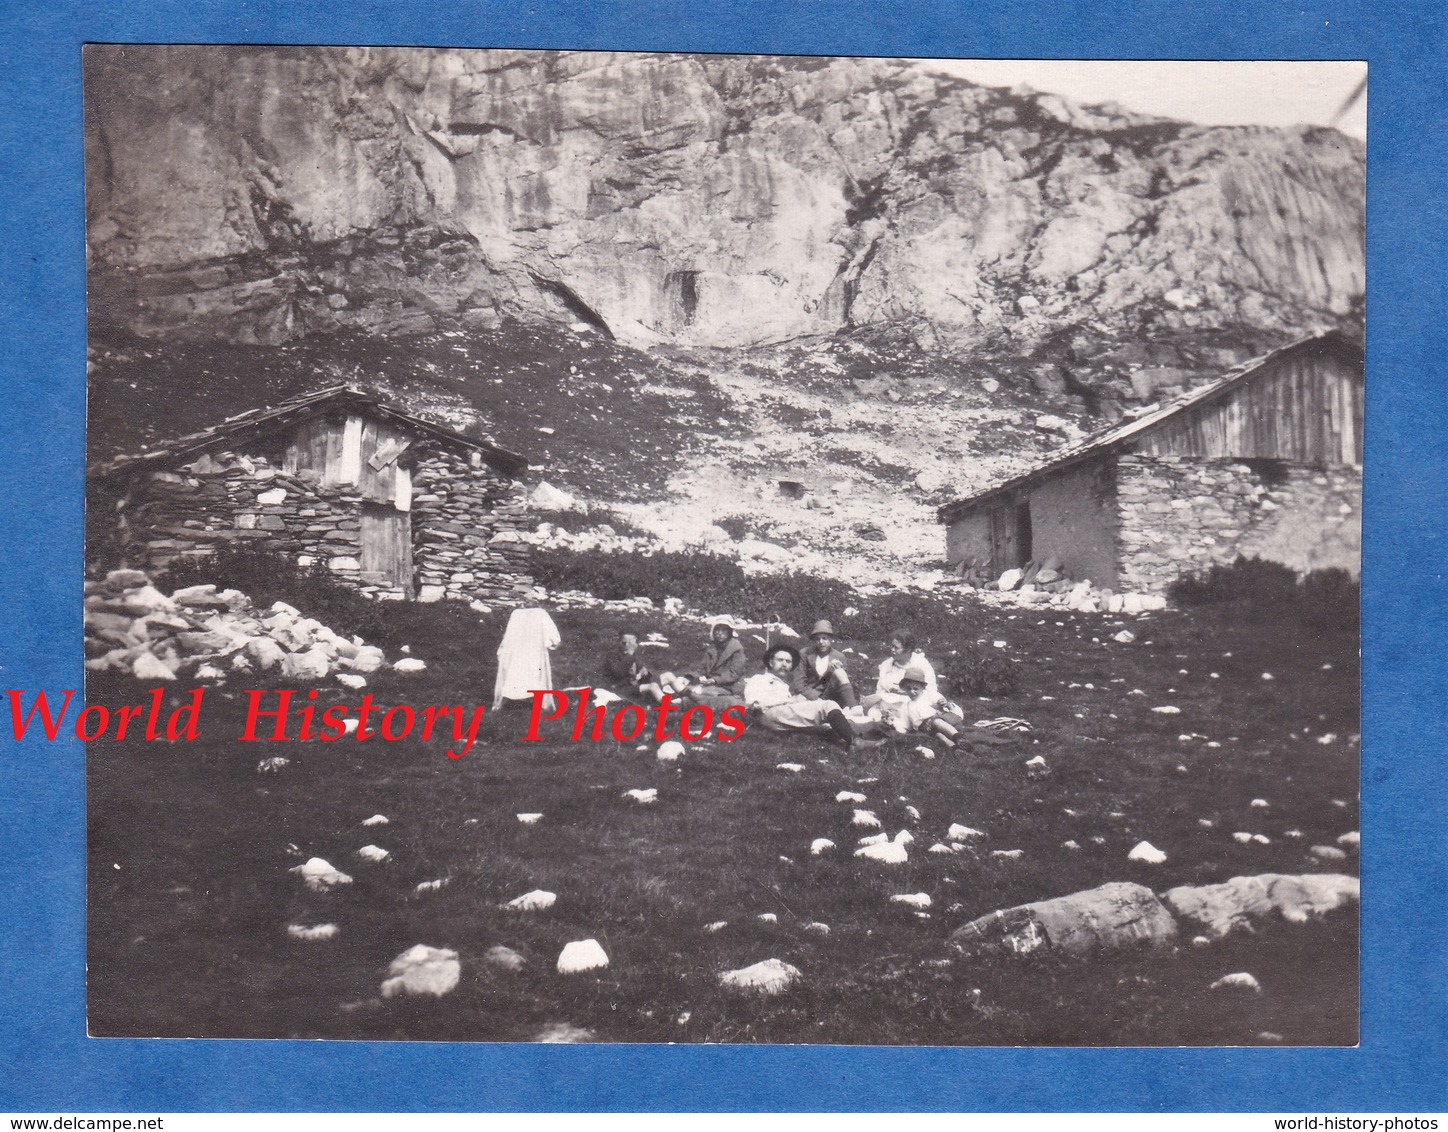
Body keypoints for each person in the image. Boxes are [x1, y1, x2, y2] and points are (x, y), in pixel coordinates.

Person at [742, 644, 861, 749]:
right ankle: (856, 742)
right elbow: (753, 703)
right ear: (771, 662)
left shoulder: (784, 686)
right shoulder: (760, 678)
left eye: (788, 662)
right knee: (827, 705)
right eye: (780, 660)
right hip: (768, 715)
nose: (784, 664)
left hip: (780, 716)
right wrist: (789, 701)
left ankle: (853, 741)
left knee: (825, 726)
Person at [659, 620, 748, 702]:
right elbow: (703, 668)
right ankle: (670, 696)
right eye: (717, 630)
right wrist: (689, 677)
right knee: (682, 683)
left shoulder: (737, 649)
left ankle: (672, 700)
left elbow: (734, 673)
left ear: (730, 632)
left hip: (727, 686)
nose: (720, 633)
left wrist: (714, 680)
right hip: (710, 684)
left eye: (724, 630)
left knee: (695, 691)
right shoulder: (713, 647)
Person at [862, 629, 937, 722]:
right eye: (891, 646)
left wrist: (906, 692)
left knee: (910, 712)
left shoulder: (921, 664)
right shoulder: (887, 665)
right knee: (873, 712)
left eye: (896, 648)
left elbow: (930, 690)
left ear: (908, 649)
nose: (892, 650)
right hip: (888, 703)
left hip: (911, 702)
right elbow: (880, 689)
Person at [891, 664, 962, 747]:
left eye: (915, 689)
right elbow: (907, 723)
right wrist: (894, 723)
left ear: (923, 687)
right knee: (939, 736)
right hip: (928, 729)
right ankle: (955, 747)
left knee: (936, 722)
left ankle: (958, 737)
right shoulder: (908, 705)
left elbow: (945, 705)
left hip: (945, 722)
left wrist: (946, 704)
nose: (912, 692)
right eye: (908, 688)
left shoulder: (930, 696)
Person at [793, 619, 858, 708]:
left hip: (830, 696)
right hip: (809, 696)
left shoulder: (839, 656)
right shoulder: (805, 654)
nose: (821, 642)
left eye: (824, 638)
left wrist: (833, 671)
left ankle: (853, 708)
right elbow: (798, 684)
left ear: (831, 639)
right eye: (817, 639)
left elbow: (842, 685)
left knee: (839, 672)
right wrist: (816, 697)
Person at [601, 629, 665, 704]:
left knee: (662, 679)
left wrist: (645, 673)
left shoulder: (635, 656)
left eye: (631, 643)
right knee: (653, 686)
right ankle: (668, 706)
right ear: (619, 642)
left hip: (633, 686)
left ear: (636, 644)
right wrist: (630, 654)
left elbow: (643, 674)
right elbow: (619, 673)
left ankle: (675, 701)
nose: (627, 645)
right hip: (618, 688)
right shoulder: (613, 655)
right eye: (624, 643)